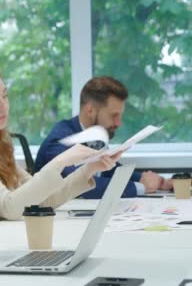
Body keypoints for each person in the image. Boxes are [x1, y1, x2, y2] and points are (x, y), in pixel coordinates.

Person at [0, 61, 120, 237]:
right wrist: (61, 161)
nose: (3, 106)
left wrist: (89, 169)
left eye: (5, 96)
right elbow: (8, 206)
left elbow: (42, 200)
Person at [34, 76, 171, 199]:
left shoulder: (96, 138)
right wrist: (141, 187)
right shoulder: (59, 141)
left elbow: (109, 169)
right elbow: (81, 185)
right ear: (90, 110)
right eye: (114, 115)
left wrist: (152, 180)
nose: (119, 123)